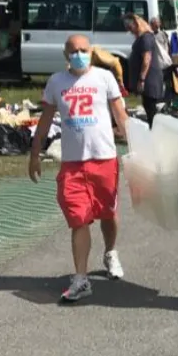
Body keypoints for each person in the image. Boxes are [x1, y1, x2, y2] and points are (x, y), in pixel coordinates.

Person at [29, 34, 129, 303]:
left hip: (104, 158)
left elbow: (121, 115)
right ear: (66, 55)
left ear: (91, 52)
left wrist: (138, 146)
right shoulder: (57, 82)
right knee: (79, 218)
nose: (79, 54)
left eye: (84, 50)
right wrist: (35, 154)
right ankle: (81, 278)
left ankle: (110, 252)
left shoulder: (104, 78)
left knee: (107, 212)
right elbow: (46, 120)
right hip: (73, 163)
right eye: (74, 51)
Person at [123, 14, 164, 125]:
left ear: (137, 24)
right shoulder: (142, 37)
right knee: (148, 106)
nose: (129, 31)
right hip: (147, 78)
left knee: (150, 108)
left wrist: (141, 79)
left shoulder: (145, 38)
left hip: (149, 79)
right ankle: (153, 129)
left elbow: (147, 59)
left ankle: (154, 131)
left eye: (130, 27)